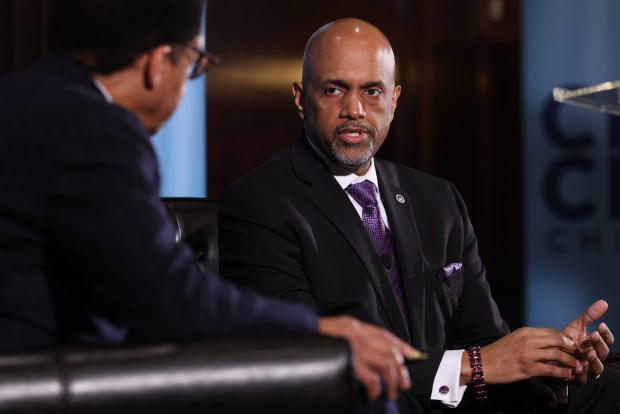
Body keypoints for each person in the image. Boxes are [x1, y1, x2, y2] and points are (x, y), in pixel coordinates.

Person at [0, 2, 419, 409]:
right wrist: (320, 330)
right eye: (195, 66)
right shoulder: (96, 131)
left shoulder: (19, 98)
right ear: (158, 62)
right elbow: (170, 302)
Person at [218, 18, 618, 413]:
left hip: (458, 404)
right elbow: (306, 359)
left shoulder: (438, 199)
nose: (353, 109)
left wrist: (549, 366)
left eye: (372, 91)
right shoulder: (259, 204)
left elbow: (488, 344)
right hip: (363, 405)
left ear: (393, 101)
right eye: (335, 89)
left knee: (608, 390)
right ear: (301, 98)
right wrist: (474, 366)